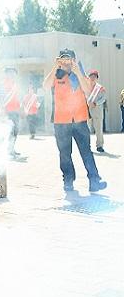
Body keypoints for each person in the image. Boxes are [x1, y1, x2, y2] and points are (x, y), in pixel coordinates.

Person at [42, 49, 107, 192]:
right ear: (60, 60)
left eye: (69, 59)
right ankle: (68, 181)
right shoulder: (56, 74)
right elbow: (45, 86)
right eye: (64, 59)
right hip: (61, 122)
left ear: (74, 60)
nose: (67, 62)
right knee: (65, 153)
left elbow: (88, 91)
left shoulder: (81, 75)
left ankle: (94, 181)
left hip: (80, 120)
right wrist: (55, 67)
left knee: (86, 152)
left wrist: (77, 72)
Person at [86, 69, 106, 153]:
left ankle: (99, 146)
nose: (92, 78)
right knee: (87, 130)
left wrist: (96, 103)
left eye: (94, 76)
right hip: (87, 111)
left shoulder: (100, 88)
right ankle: (87, 146)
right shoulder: (85, 87)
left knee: (98, 129)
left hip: (97, 110)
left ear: (97, 78)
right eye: (91, 76)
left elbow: (103, 99)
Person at [3, 67, 20, 156]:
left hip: (15, 111)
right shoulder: (5, 83)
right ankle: (8, 150)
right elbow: (2, 97)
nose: (13, 75)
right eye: (11, 73)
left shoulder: (14, 84)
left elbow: (16, 98)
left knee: (15, 131)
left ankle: (12, 149)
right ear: (7, 73)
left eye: (14, 73)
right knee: (10, 131)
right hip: (8, 111)